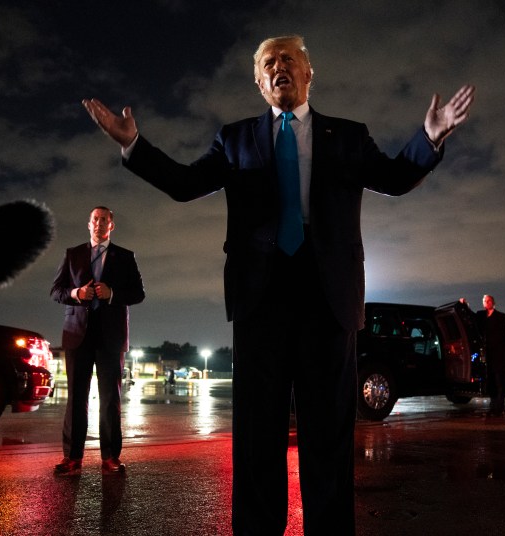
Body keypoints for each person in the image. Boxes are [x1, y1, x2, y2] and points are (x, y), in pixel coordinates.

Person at [82, 34, 475, 535]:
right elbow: (184, 185)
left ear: (310, 72)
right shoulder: (236, 138)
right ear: (258, 82)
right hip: (260, 297)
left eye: (288, 58)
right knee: (256, 434)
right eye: (267, 62)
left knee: (328, 433)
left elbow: (396, 177)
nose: (278, 66)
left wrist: (430, 138)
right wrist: (132, 145)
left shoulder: (348, 135)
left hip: (328, 297)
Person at [50, 207, 145, 475]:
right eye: (95, 219)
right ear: (88, 224)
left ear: (111, 226)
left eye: (105, 219)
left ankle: (110, 458)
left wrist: (112, 293)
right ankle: (72, 458)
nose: (99, 223)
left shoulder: (125, 256)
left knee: (110, 399)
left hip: (111, 337)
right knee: (76, 399)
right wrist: (76, 293)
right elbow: (56, 291)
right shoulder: (73, 254)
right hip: (77, 334)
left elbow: (138, 293)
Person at [475, 294, 505, 415]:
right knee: (491, 383)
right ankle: (493, 406)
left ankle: (500, 407)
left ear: (493, 302)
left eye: (488, 300)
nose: (486, 302)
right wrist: (463, 304)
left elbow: (503, 334)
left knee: (500, 381)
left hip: (498, 354)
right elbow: (469, 317)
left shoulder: (501, 316)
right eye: (484, 301)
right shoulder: (481, 315)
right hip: (487, 355)